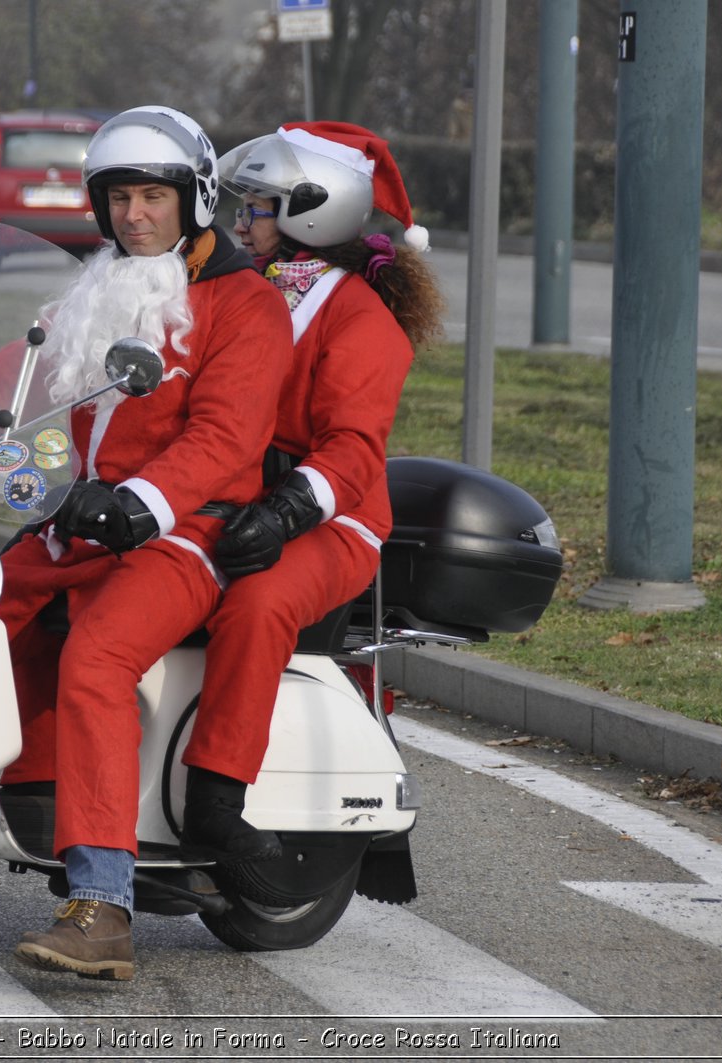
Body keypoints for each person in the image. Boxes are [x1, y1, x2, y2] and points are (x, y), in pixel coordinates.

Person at [0, 105, 293, 982]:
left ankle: (103, 902)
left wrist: (143, 501)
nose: (134, 216)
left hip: (185, 538)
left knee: (98, 656)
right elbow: (13, 370)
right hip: (81, 523)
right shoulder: (96, 288)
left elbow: (225, 441)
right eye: (118, 198)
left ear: (193, 199)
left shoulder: (246, 304)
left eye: (153, 196)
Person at [175, 122, 447, 865]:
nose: (240, 221)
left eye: (257, 207)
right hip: (235, 496)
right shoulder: (239, 292)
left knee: (258, 603)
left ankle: (216, 798)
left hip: (333, 522)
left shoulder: (360, 317)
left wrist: (286, 509)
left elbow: (353, 448)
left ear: (311, 210)